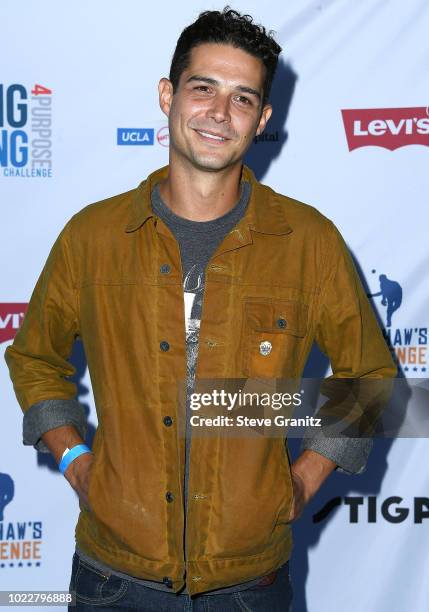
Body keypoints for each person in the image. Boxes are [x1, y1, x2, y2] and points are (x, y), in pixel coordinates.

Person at [4, 7, 397, 611]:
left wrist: (302, 481)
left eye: (243, 98)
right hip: (113, 577)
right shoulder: (95, 236)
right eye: (203, 88)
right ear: (168, 95)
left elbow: (370, 376)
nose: (219, 113)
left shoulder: (308, 241)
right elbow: (33, 357)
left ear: (262, 119)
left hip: (250, 584)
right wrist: (77, 460)